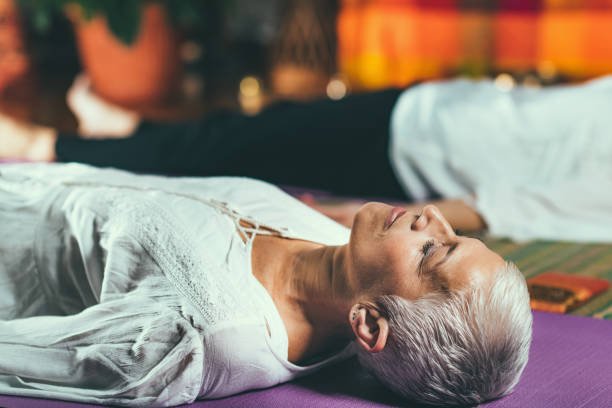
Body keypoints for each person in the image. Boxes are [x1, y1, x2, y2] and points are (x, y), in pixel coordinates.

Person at [0, 162, 531, 407]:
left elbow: (18, 355)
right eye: (453, 232)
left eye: (434, 250)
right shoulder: (343, 242)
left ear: (369, 322)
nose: (434, 216)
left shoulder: (204, 333)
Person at [2, 75, 611, 241]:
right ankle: (134, 132)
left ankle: (46, 146)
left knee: (249, 145)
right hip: (435, 109)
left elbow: (506, 208)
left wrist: (364, 218)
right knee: (258, 128)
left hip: (406, 152)